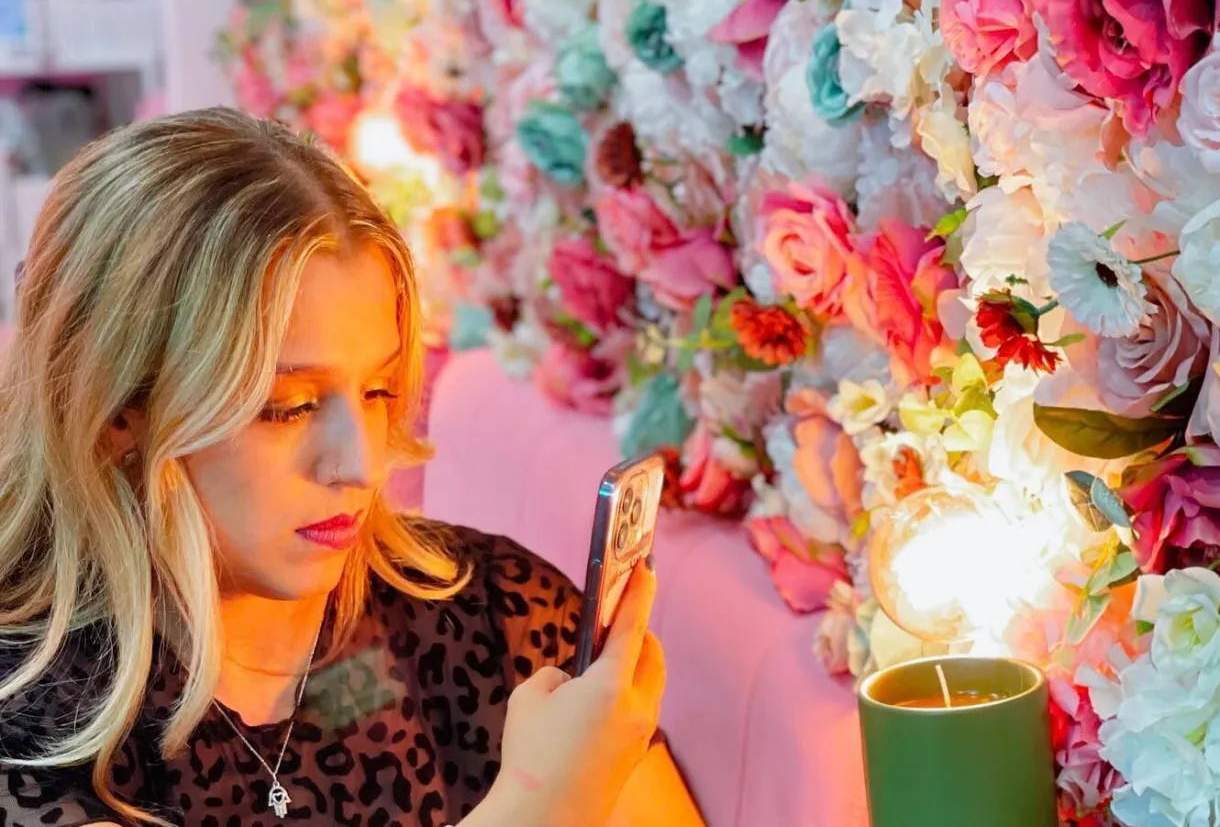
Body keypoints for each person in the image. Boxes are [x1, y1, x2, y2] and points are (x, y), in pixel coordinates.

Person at [0, 108, 705, 827]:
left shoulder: (498, 616)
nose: (362, 466)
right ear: (121, 412)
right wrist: (539, 798)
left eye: (376, 391)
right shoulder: (33, 721)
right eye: (289, 406)